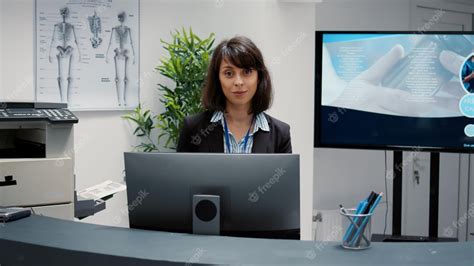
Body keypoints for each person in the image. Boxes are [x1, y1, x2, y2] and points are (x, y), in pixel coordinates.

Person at [177, 36, 292, 153]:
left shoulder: (280, 134)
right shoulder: (193, 128)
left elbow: (283, 171)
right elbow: (181, 171)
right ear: (218, 79)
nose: (238, 82)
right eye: (229, 73)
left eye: (247, 72)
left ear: (259, 77)